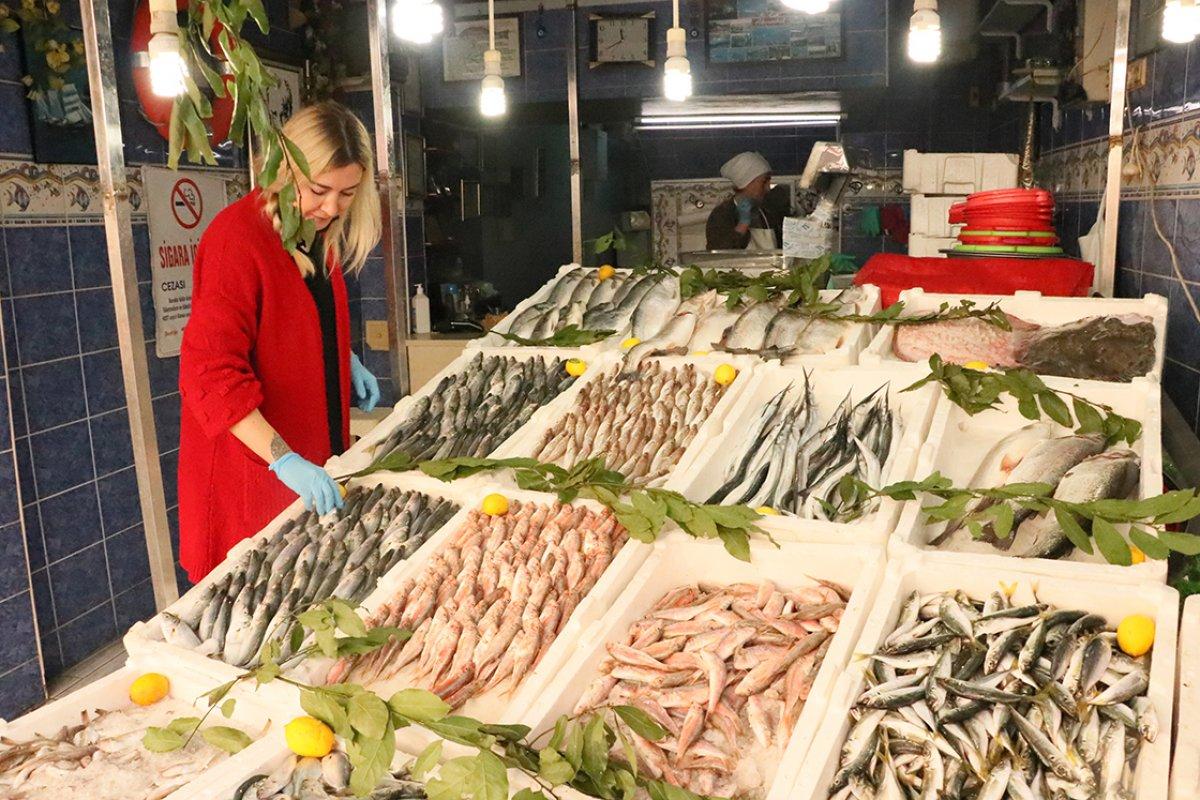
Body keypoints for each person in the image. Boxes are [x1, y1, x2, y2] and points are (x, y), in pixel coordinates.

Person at [178, 101, 383, 582]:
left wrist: (344, 356)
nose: (331, 208)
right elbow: (209, 374)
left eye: (348, 194)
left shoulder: (314, 233)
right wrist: (282, 459)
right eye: (319, 190)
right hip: (252, 480)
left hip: (315, 458)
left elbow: (293, 317)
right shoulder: (237, 239)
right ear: (286, 168)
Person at [705, 151, 781, 251]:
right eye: (764, 182)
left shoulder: (766, 212)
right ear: (746, 183)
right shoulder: (721, 215)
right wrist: (742, 224)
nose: (768, 188)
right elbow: (718, 254)